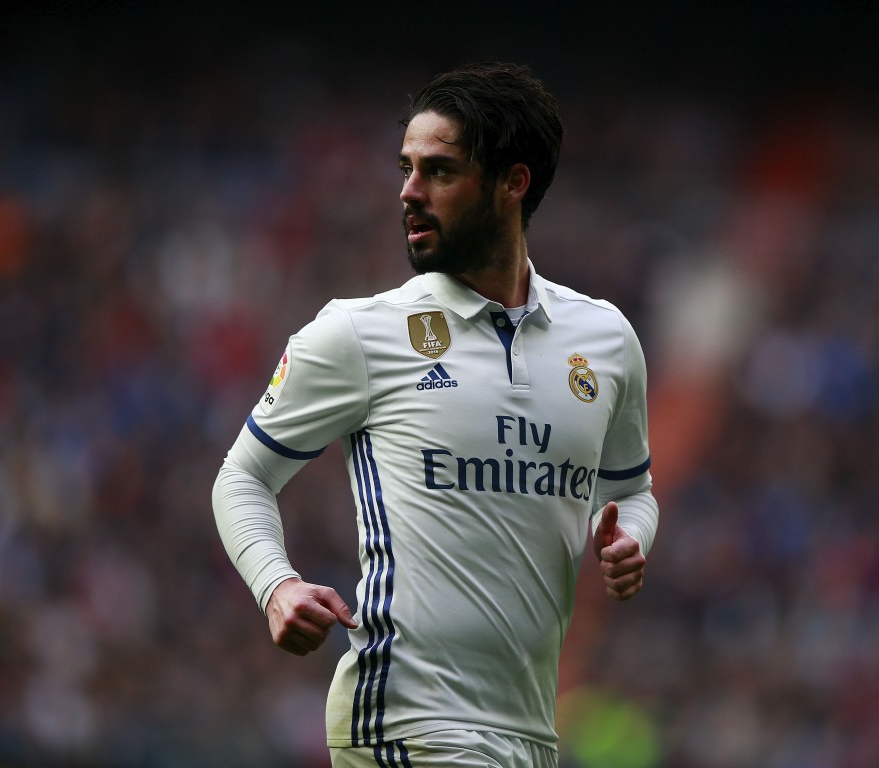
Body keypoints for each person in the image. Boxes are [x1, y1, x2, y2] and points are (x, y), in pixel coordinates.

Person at [212, 61, 659, 768]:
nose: (409, 192)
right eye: (407, 168)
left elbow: (631, 489)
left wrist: (630, 537)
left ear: (514, 184)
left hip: (527, 733)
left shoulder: (603, 340)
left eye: (440, 172)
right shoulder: (360, 333)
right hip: (406, 720)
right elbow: (241, 477)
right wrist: (277, 584)